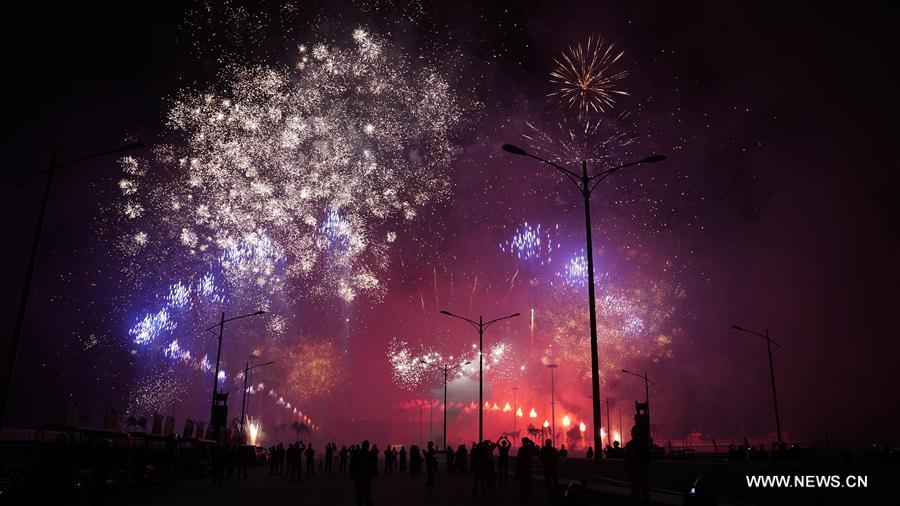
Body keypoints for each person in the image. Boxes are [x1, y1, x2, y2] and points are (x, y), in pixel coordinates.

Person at [624, 425, 651, 505]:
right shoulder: (644, 444)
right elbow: (648, 458)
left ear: (632, 434)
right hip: (642, 471)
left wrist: (629, 471)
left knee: (635, 491)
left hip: (634, 472)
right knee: (644, 490)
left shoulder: (629, 445)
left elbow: (626, 461)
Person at [351, 441, 375, 506]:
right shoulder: (368, 454)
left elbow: (352, 464)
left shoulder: (358, 454)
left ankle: (363, 503)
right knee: (364, 492)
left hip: (363, 476)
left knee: (362, 492)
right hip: (362, 476)